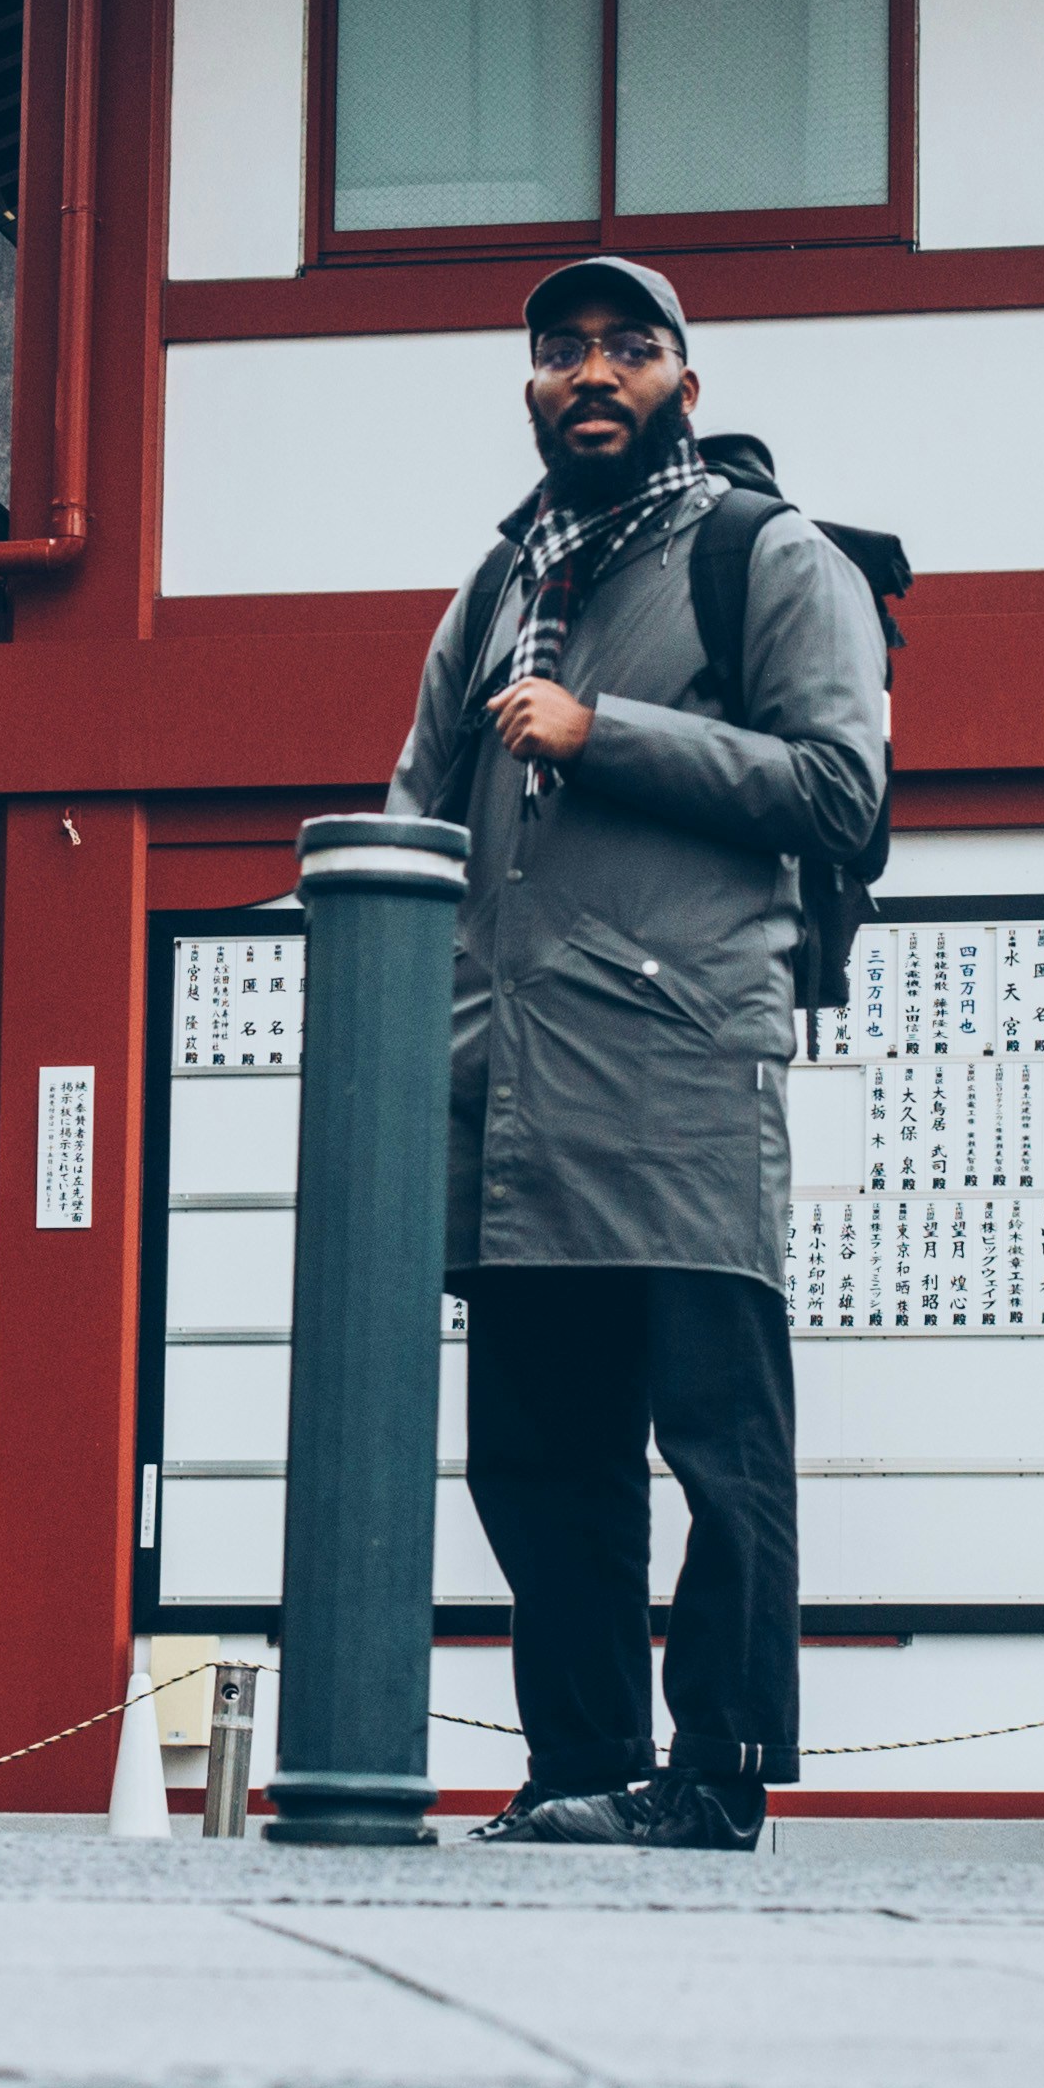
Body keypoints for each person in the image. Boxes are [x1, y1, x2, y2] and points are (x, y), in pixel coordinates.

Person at [387, 257, 887, 1849]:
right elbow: (414, 811)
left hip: (678, 1069)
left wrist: (605, 731)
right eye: (558, 352)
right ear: (530, 386)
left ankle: (718, 1776)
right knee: (539, 1465)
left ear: (685, 378)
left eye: (624, 348)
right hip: (507, 1088)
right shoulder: (497, 584)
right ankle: (576, 1772)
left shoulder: (767, 555)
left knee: (718, 1456)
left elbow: (838, 792)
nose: (587, 374)